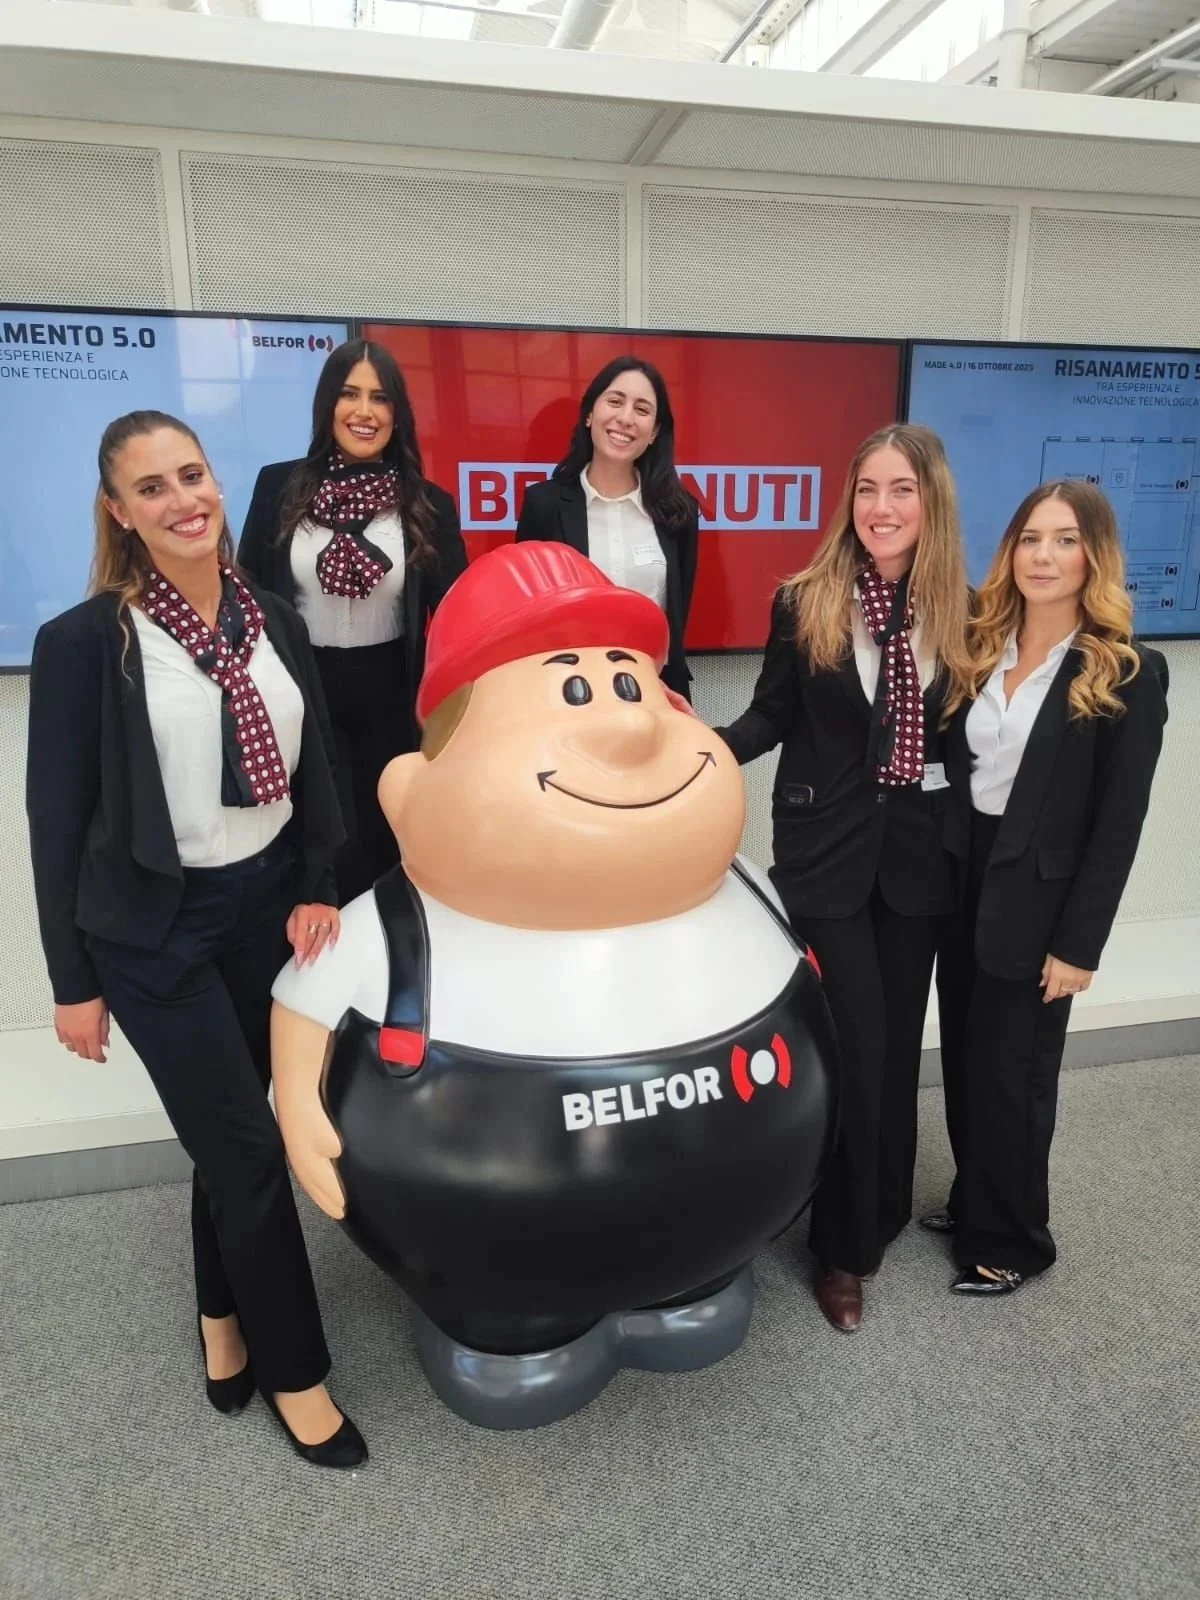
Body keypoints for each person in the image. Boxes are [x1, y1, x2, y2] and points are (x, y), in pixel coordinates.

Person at [267, 541, 837, 1428]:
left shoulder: (739, 884)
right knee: (514, 1332)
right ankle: (511, 1331)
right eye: (573, 689)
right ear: (410, 790)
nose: (628, 726)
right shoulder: (398, 924)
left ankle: (695, 1282)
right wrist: (299, 1107)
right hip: (486, 1237)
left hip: (728, 1209)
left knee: (701, 1290)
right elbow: (301, 999)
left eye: (629, 683)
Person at [27, 410, 365, 1469]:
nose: (184, 500)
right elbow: (55, 819)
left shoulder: (272, 615)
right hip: (152, 934)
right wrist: (71, 981)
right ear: (118, 512)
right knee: (254, 1151)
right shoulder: (85, 644)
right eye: (153, 487)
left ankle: (222, 1319)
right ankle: (296, 1373)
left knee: (226, 1141)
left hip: (266, 913)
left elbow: (318, 768)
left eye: (194, 474)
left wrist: (318, 884)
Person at [717, 424, 973, 1333]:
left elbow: (974, 745)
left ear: (929, 501)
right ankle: (841, 1253)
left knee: (898, 1045)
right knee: (857, 1045)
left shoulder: (965, 612)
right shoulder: (807, 599)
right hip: (825, 853)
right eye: (867, 489)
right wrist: (700, 749)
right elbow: (771, 713)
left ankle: (881, 1204)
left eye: (901, 490)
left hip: (917, 863)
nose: (881, 508)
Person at [928, 480, 1168, 1295]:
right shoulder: (979, 644)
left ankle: (1015, 1241)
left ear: (1092, 556)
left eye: (1065, 540)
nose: (1043, 556)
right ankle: (972, 1201)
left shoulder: (1129, 672)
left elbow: (1118, 824)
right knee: (965, 1057)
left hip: (1040, 902)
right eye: (1031, 538)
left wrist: (1078, 944)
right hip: (964, 881)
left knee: (1015, 1076)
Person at [239, 338, 467, 901]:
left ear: (397, 414)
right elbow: (246, 597)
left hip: (390, 695)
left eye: (380, 398)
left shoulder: (427, 503)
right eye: (349, 394)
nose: (364, 412)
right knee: (313, 841)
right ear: (327, 405)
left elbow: (461, 611)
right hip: (302, 688)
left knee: (385, 838)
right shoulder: (278, 486)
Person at [516, 356, 699, 701]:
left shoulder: (678, 513)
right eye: (615, 401)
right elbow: (527, 615)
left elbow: (679, 611)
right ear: (589, 414)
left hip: (656, 695)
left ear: (655, 432)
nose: (626, 418)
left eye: (642, 410)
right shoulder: (544, 505)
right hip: (566, 697)